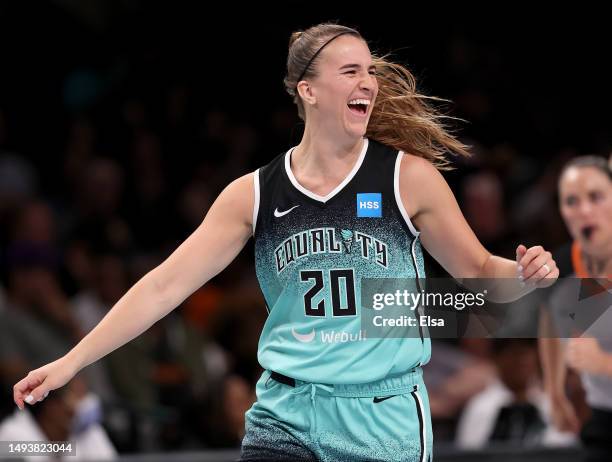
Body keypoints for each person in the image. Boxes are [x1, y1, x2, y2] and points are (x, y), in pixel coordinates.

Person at [13, 23, 558, 462]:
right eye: (351, 71)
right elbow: (162, 287)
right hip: (285, 412)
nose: (368, 82)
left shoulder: (406, 178)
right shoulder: (252, 194)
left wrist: (526, 272)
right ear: (309, 90)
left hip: (381, 415)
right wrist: (70, 362)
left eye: (370, 71)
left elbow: (477, 268)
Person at [539, 155, 612, 461]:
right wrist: (554, 392)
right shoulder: (565, 264)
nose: (584, 210)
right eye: (572, 201)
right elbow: (549, 318)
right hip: (603, 423)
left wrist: (604, 364)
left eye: (596, 196)